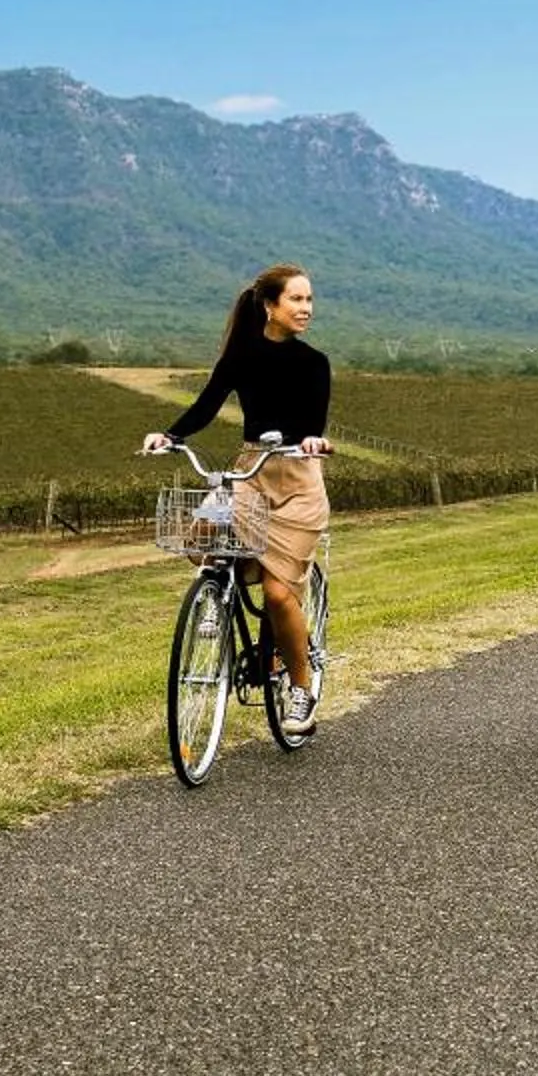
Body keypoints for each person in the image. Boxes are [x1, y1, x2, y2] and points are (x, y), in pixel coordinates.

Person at [142, 264, 332, 732]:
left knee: (277, 593)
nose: (306, 309)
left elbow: (314, 422)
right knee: (205, 530)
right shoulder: (241, 356)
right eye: (297, 300)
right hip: (252, 470)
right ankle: (217, 600)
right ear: (270, 305)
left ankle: (302, 690)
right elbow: (207, 404)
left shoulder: (314, 362)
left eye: (310, 300)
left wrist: (313, 440)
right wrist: (169, 435)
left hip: (298, 479)